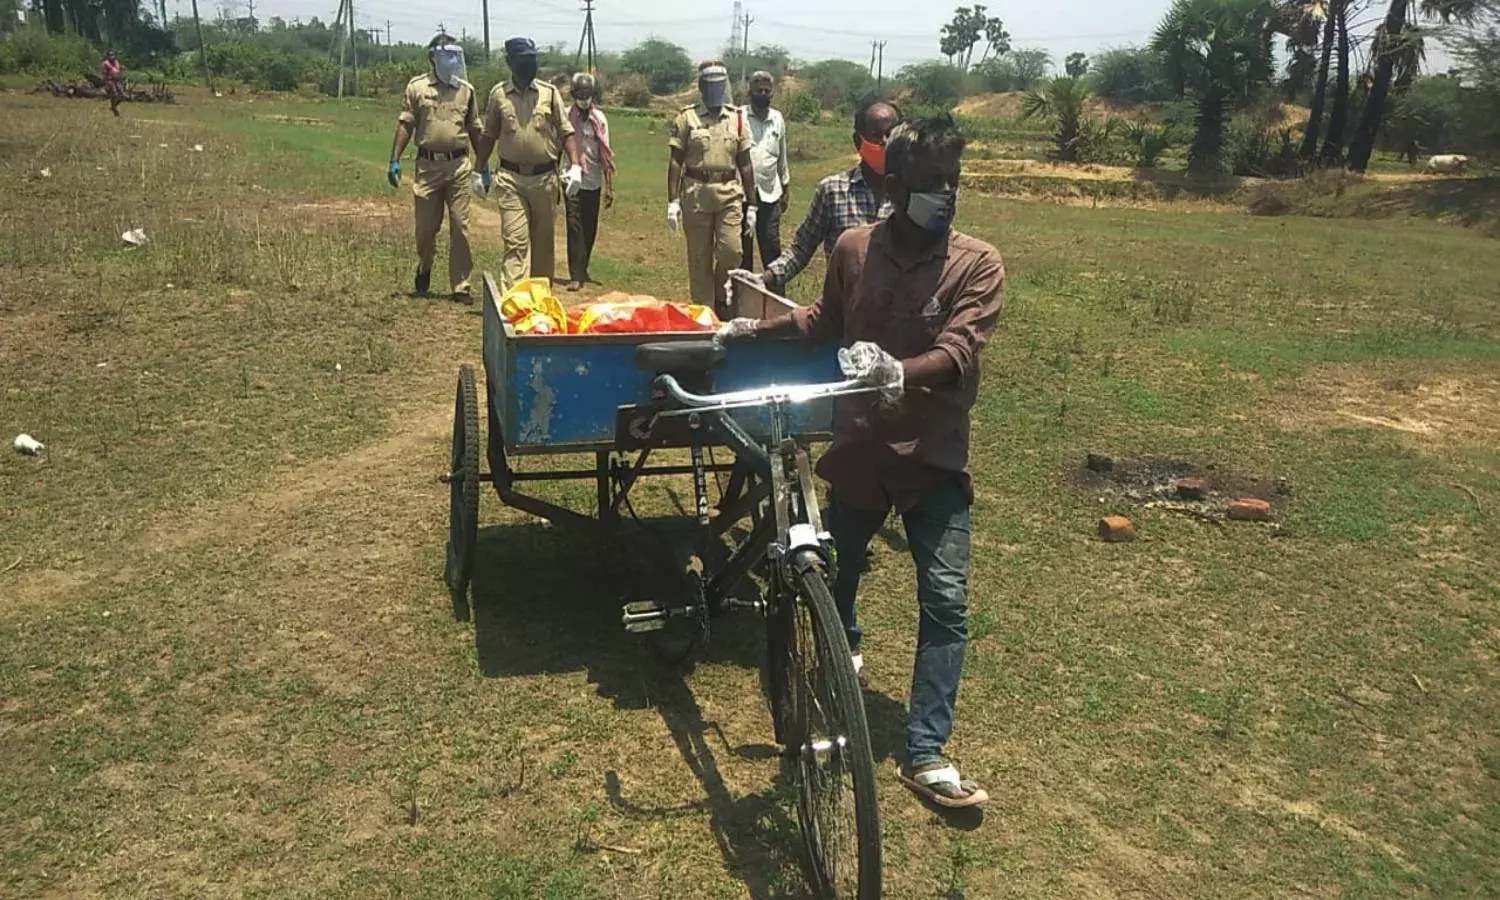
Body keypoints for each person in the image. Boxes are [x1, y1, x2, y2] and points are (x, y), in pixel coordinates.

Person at [718, 115, 1003, 809]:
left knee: (945, 599)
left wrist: (899, 372)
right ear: (897, 185)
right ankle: (837, 664)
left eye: (954, 181)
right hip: (862, 451)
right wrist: (755, 329)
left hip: (933, 456)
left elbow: (960, 350)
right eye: (934, 182)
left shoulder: (976, 262)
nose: (948, 194)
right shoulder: (853, 248)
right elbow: (825, 319)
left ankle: (927, 751)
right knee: (836, 578)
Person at [750, 100, 902, 295]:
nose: (885, 142)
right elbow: (801, 249)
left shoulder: (914, 192)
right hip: (843, 308)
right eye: (876, 135)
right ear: (858, 141)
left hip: (897, 311)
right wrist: (764, 279)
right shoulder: (833, 191)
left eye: (892, 134)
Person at [474, 37, 584, 291]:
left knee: (544, 246)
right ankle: (514, 303)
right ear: (510, 62)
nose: (529, 65)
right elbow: (489, 134)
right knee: (515, 242)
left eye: (533, 60)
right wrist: (477, 170)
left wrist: (575, 165)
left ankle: (540, 299)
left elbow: (566, 131)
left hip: (545, 180)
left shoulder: (550, 93)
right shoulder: (498, 94)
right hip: (510, 179)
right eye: (524, 60)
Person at [387, 35, 482, 302]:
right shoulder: (417, 87)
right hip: (428, 166)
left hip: (459, 166)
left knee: (460, 225)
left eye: (455, 55)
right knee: (426, 229)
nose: (452, 61)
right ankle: (424, 265)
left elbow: (475, 128)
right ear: (433, 57)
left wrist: (483, 167)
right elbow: (406, 123)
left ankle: (461, 285)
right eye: (446, 56)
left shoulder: (466, 90)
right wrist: (395, 159)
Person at [667, 61, 756, 315]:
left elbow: (746, 164)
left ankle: (720, 295)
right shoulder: (687, 118)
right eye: (711, 85)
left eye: (721, 85)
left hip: (729, 192)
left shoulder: (737, 119)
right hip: (696, 192)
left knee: (732, 250)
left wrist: (753, 205)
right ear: (702, 87)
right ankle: (703, 310)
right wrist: (672, 202)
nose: (717, 90)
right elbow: (675, 160)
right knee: (699, 255)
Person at [563, 73, 615, 292]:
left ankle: (583, 267)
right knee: (574, 225)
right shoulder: (566, 116)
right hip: (570, 177)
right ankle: (575, 274)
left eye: (587, 93)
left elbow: (606, 153)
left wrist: (609, 186)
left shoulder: (600, 119)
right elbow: (559, 146)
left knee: (589, 226)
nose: (583, 97)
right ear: (574, 94)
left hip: (593, 179)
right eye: (579, 93)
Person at [741, 70, 790, 271]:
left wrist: (786, 187)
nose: (762, 93)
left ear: (772, 93)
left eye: (766, 90)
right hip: (741, 195)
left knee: (772, 248)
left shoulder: (777, 118)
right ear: (750, 92)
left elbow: (782, 156)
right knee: (743, 252)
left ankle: (775, 297)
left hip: (770, 194)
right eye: (758, 90)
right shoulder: (739, 116)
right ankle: (741, 299)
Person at [101, 51, 124, 117]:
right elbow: (104, 73)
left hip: (117, 80)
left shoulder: (116, 62)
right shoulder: (105, 63)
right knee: (114, 94)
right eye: (110, 55)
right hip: (110, 80)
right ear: (108, 56)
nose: (112, 57)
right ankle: (114, 109)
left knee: (122, 95)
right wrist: (106, 82)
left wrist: (121, 79)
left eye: (113, 55)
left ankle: (113, 106)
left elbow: (119, 70)